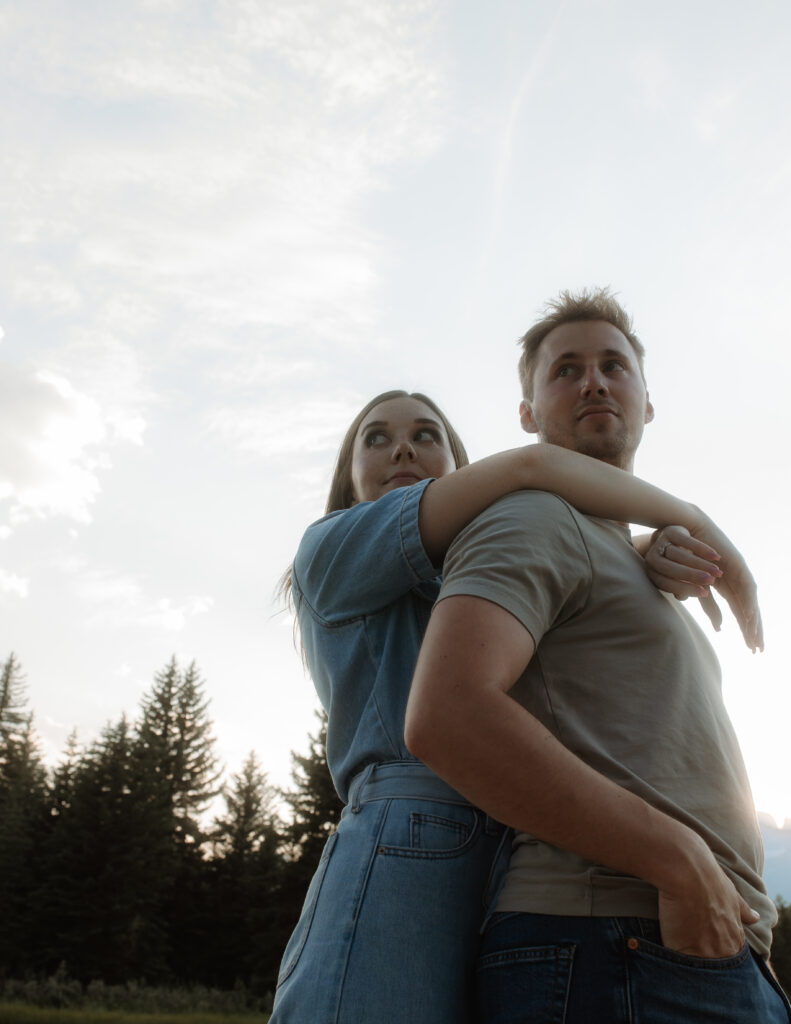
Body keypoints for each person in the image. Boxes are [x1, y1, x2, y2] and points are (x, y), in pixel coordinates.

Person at [270, 386, 765, 1024]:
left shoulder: (472, 567)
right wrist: (694, 519)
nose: (402, 447)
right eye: (376, 437)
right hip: (408, 836)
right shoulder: (332, 547)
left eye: (426, 435)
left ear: (452, 464)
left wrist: (644, 553)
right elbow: (531, 467)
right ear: (348, 475)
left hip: (511, 848)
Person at [406, 289, 790, 1022]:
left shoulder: (631, 554)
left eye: (613, 365)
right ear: (526, 415)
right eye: (565, 370)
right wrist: (681, 867)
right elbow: (447, 715)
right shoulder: (532, 516)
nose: (592, 381)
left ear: (647, 402)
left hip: (678, 951)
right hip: (611, 949)